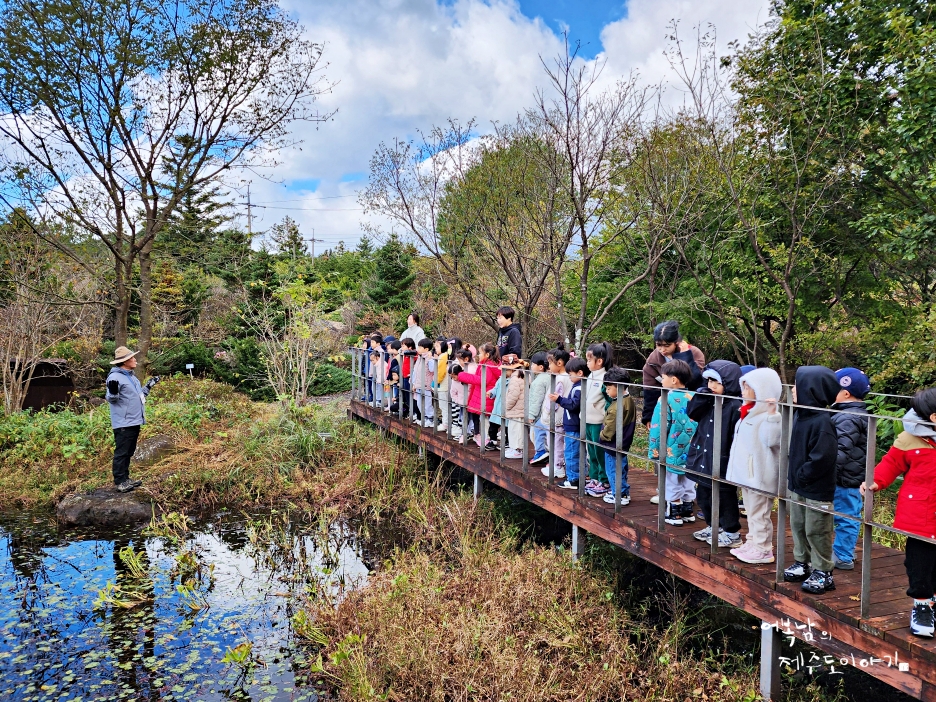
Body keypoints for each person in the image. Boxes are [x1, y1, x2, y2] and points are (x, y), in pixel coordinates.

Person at [862, 388, 936, 638]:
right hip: (921, 512)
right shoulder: (909, 438)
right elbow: (891, 463)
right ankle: (922, 604)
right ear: (933, 417)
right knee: (919, 562)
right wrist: (876, 481)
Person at [783, 365, 840, 594]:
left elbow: (823, 456)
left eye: (798, 386)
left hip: (816, 487)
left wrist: (804, 473)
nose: (794, 391)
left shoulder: (823, 421)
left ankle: (823, 570)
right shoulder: (800, 414)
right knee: (798, 525)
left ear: (811, 390)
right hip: (798, 485)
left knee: (817, 529)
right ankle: (802, 561)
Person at [725, 367, 783, 564]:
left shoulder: (769, 416)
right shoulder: (747, 412)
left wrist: (772, 415)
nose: (743, 391)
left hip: (760, 475)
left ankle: (763, 548)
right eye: (743, 386)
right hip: (747, 475)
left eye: (748, 387)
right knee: (751, 511)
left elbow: (771, 440)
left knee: (760, 513)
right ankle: (752, 541)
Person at [686, 361, 743, 547]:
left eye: (716, 382)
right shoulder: (708, 399)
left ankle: (732, 532)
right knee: (703, 494)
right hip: (704, 454)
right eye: (708, 381)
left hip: (722, 459)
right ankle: (713, 525)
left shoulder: (735, 405)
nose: (711, 386)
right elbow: (692, 413)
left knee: (725, 497)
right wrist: (701, 397)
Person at [648, 359, 698, 526]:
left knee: (672, 478)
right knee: (689, 478)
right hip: (692, 448)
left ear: (674, 379)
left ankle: (674, 513)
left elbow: (658, 427)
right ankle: (688, 510)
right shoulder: (694, 397)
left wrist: (654, 450)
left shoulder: (665, 399)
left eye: (663, 377)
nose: (662, 381)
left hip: (672, 448)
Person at [830, 367, 871, 571]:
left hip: (846, 477)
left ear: (845, 393)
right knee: (848, 513)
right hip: (851, 474)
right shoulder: (853, 414)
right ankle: (844, 550)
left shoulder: (848, 417)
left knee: (846, 515)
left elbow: (841, 450)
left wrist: (827, 474)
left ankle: (843, 555)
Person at [105, 346, 160, 493]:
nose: (135, 359)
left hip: (134, 420)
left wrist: (149, 386)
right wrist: (113, 392)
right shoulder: (114, 377)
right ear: (124, 361)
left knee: (129, 451)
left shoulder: (131, 377)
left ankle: (126, 478)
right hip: (124, 422)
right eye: (132, 358)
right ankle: (119, 481)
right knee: (122, 452)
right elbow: (111, 398)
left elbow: (138, 396)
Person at [641, 320, 705, 429]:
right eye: (658, 345)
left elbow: (696, 382)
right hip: (666, 410)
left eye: (667, 345)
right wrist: (648, 416)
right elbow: (650, 390)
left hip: (692, 409)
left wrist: (685, 356)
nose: (662, 349)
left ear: (676, 342)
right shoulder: (653, 359)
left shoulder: (694, 353)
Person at [599, 367, 637, 505]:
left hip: (612, 444)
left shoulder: (617, 406)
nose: (607, 391)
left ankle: (618, 494)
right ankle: (623, 492)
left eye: (609, 388)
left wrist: (602, 435)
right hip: (623, 442)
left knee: (613, 469)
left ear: (619, 388)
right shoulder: (629, 400)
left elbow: (610, 427)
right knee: (621, 468)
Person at [550, 356, 587, 489]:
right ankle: (580, 475)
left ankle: (574, 479)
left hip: (574, 425)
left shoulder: (579, 388)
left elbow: (573, 405)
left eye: (570, 374)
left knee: (571, 453)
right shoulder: (578, 386)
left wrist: (559, 399)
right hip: (574, 424)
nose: (569, 377)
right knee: (577, 452)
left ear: (580, 373)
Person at [457, 343, 501, 446]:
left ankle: (487, 440)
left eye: (480, 353)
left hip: (485, 396)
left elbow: (482, 380)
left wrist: (463, 376)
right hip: (484, 395)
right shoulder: (489, 364)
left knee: (485, 420)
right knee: (485, 419)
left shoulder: (488, 366)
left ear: (487, 354)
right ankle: (486, 438)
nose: (478, 355)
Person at [584, 342, 613, 497]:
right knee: (591, 451)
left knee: (599, 451)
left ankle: (604, 480)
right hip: (587, 419)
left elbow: (609, 399)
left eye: (589, 360)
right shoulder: (590, 376)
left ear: (599, 361)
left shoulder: (605, 377)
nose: (587, 363)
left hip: (598, 421)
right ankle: (594, 477)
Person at [540, 345, 570, 479]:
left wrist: (546, 411)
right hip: (562, 417)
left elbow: (555, 400)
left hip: (556, 418)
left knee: (556, 443)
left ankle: (558, 467)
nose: (549, 366)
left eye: (550, 363)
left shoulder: (560, 379)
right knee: (559, 442)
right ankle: (558, 465)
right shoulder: (568, 377)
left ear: (559, 363)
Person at [527, 352, 551, 464]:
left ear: (541, 367)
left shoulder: (538, 381)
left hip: (539, 415)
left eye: (533, 364)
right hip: (547, 413)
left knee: (535, 435)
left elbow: (536, 400)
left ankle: (541, 452)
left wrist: (531, 415)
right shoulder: (550, 377)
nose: (531, 366)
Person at [503, 359, 527, 459]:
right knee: (518, 429)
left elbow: (513, 396)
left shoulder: (514, 379)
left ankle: (517, 449)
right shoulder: (523, 375)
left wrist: (507, 406)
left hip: (516, 409)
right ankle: (516, 448)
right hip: (521, 408)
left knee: (515, 430)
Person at [411, 338, 436, 427]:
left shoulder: (429, 359)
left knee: (427, 403)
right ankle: (425, 418)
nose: (418, 349)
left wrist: (430, 358)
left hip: (426, 385)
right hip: (418, 385)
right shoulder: (419, 357)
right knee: (419, 403)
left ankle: (431, 419)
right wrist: (413, 383)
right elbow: (415, 371)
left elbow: (432, 369)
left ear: (426, 349)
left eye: (420, 347)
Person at [433, 338, 451, 431]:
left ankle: (445, 424)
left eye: (437, 346)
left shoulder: (443, 356)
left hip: (443, 385)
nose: (435, 348)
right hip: (444, 384)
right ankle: (446, 423)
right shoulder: (445, 356)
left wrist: (435, 382)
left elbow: (440, 372)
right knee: (444, 405)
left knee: (443, 405)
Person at [399, 338, 417, 418]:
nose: (402, 348)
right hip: (404, 376)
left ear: (410, 347)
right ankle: (409, 411)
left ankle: (414, 412)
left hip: (409, 377)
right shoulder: (404, 354)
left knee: (410, 395)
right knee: (406, 395)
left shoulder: (412, 354)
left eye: (403, 346)